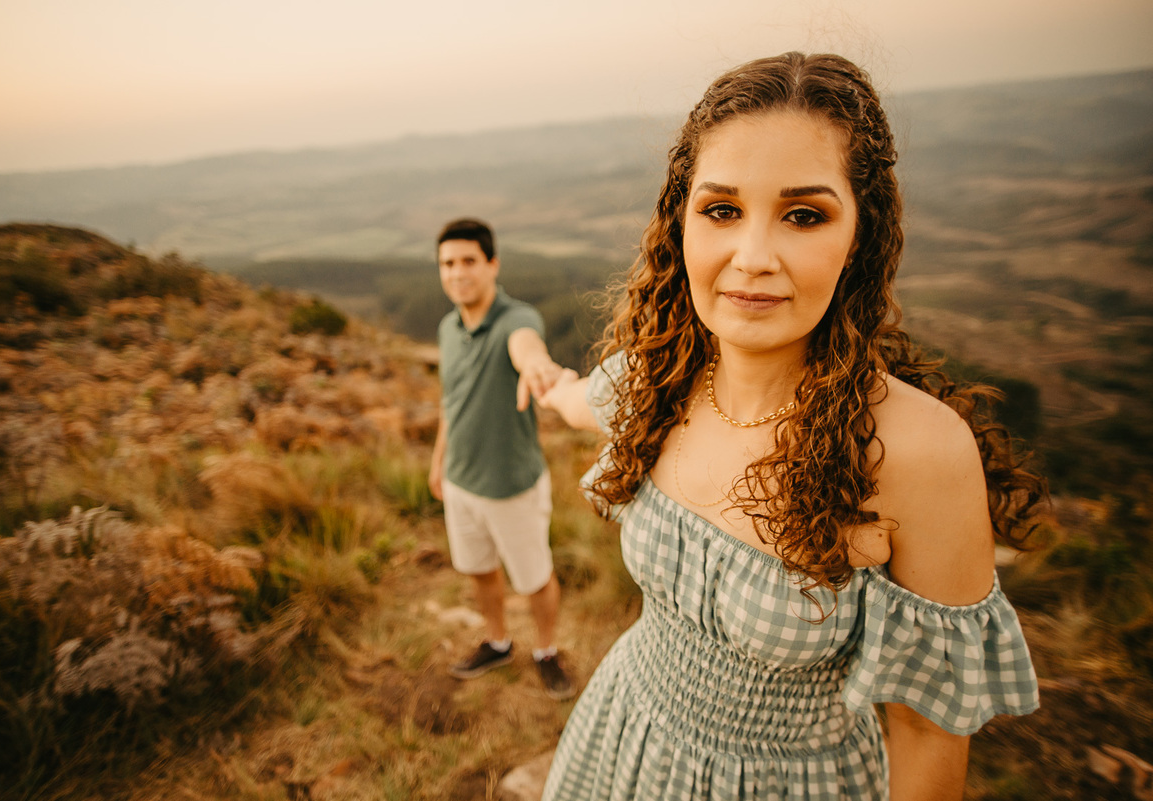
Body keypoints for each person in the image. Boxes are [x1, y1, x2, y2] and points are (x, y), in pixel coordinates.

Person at [537, 52, 1044, 799]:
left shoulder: (919, 452)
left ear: (860, 236)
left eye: (803, 215)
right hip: (622, 737)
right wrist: (541, 378)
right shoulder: (660, 376)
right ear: (681, 222)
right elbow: (581, 400)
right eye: (721, 210)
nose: (753, 257)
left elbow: (926, 731)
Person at [428, 217, 575, 700]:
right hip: (460, 482)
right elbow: (451, 401)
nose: (457, 273)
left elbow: (525, 346)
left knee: (534, 579)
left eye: (468, 261)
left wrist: (535, 365)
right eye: (447, 263)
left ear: (492, 265)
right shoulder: (448, 328)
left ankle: (546, 650)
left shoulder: (516, 318)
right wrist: (438, 462)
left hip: (512, 484)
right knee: (479, 570)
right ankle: (498, 641)